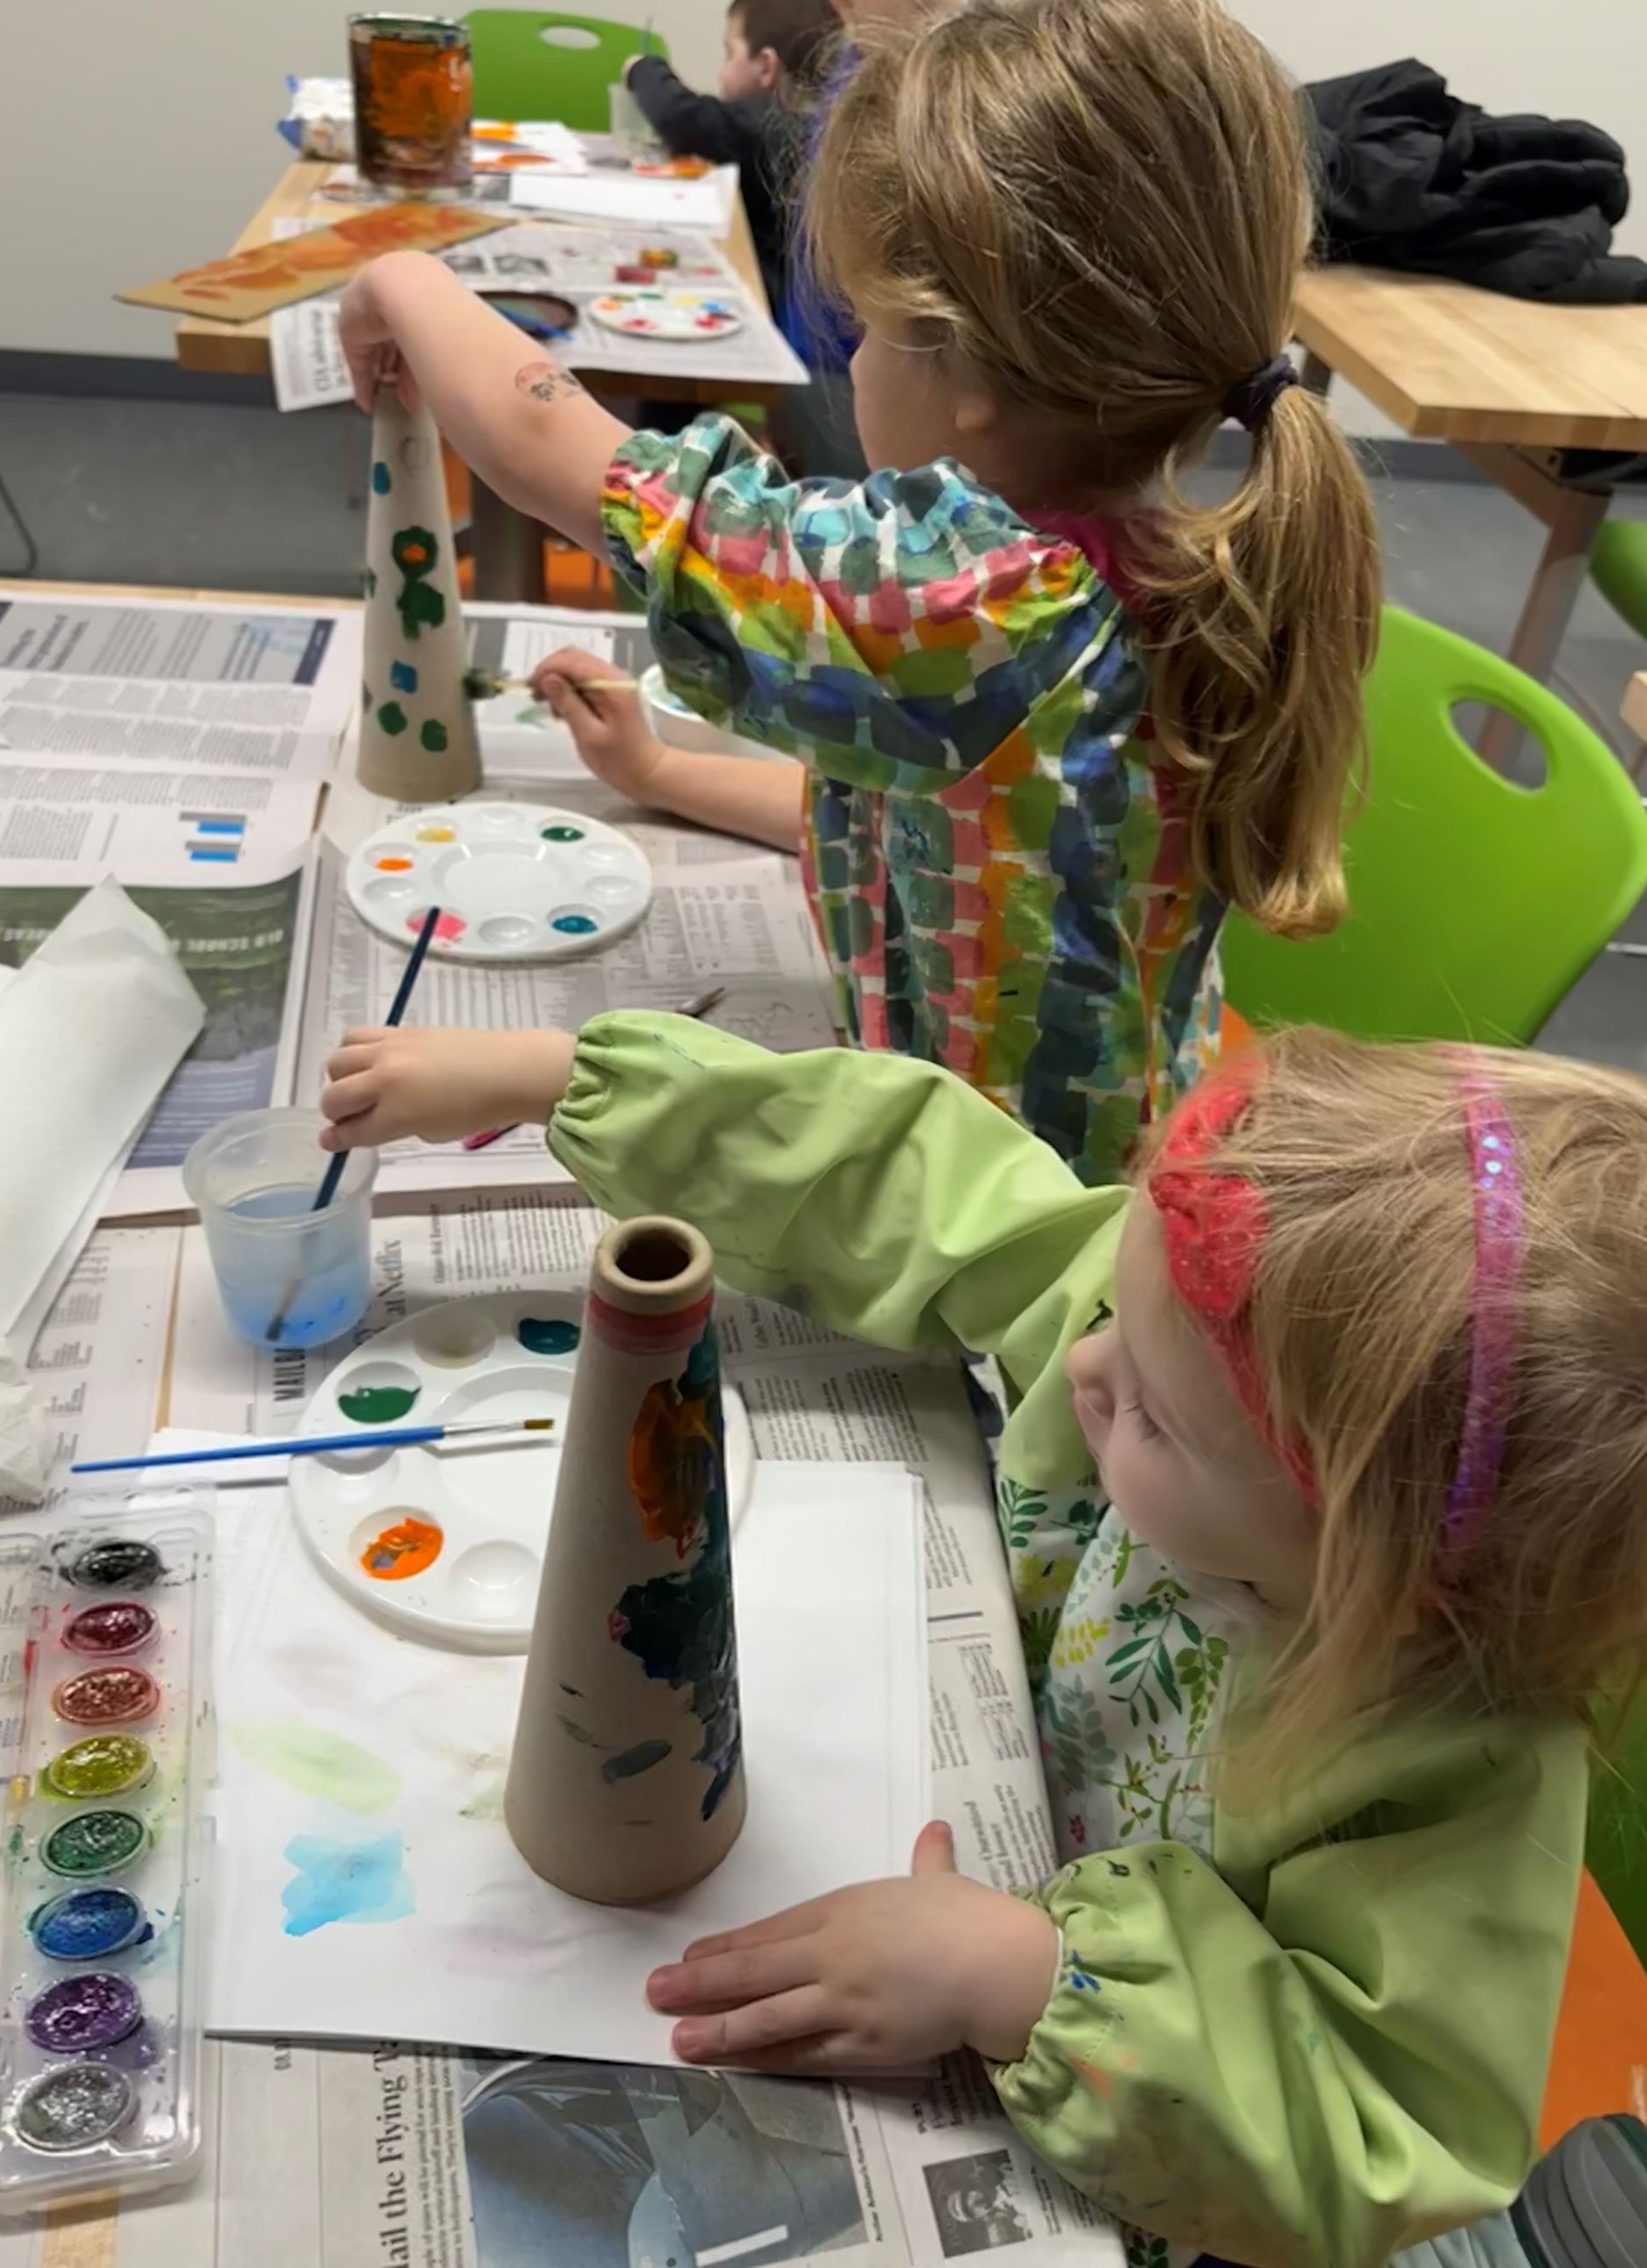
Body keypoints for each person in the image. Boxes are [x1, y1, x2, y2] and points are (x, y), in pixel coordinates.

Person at [319, 1013, 1644, 2268]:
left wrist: (1020, 1978)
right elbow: (916, 1175)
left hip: (1162, 2139)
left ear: (1375, 1581)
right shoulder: (1186, 1352)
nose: (1084, 1364)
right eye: (1117, 1312)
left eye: (1154, 1419)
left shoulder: (1445, 1767)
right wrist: (569, 1079)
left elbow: (1374, 2129)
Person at [336, 0, 1380, 1183]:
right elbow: (941, 842)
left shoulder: (968, 599)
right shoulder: (1173, 564)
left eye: (869, 330)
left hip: (995, 1219)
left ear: (966, 375)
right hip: (1122, 1156)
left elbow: (566, 458)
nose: (858, 360)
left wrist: (404, 278)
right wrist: (661, 774)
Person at [623, 0, 838, 323]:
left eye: (729, 54)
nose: (721, 71)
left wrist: (641, 68)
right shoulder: (823, 121)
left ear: (766, 67)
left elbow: (679, 115)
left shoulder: (764, 124)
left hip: (770, 304)